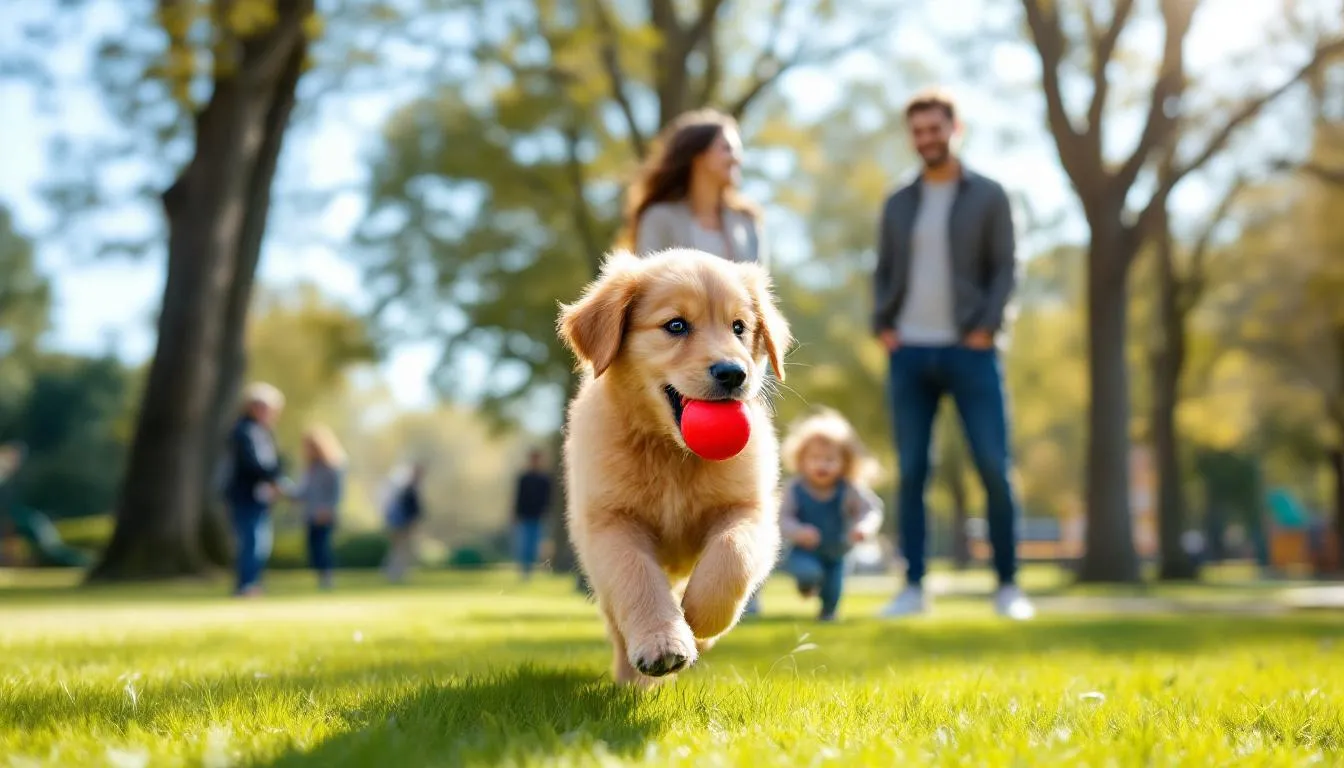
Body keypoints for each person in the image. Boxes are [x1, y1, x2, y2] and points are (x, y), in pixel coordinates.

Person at [871, 89, 1034, 620]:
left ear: (954, 129)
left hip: (972, 350)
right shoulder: (899, 201)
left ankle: (1008, 586)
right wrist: (883, 324)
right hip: (909, 352)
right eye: (918, 132)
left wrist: (987, 328)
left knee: (993, 465)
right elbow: (884, 270)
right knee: (913, 470)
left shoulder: (988, 195)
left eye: (935, 129)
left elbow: (1006, 268)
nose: (926, 139)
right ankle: (914, 586)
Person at [623, 108, 767, 266]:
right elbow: (646, 284)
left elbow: (761, 286)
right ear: (699, 157)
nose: (737, 159)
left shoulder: (747, 221)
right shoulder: (659, 218)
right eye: (727, 149)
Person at [778, 409, 884, 621]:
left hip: (838, 553)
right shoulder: (795, 489)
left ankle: (827, 614)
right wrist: (798, 531)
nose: (822, 464)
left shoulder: (849, 489)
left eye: (830, 459)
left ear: (845, 462)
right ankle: (806, 584)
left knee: (833, 592)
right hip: (805, 551)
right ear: (801, 459)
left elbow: (871, 509)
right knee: (809, 573)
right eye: (815, 458)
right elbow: (782, 518)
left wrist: (864, 527)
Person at [224, 383, 285, 597]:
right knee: (250, 541)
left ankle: (253, 583)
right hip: (245, 495)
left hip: (260, 496)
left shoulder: (263, 432)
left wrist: (276, 480)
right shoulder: (244, 431)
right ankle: (246, 585)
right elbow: (252, 464)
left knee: (260, 543)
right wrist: (274, 479)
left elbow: (274, 462)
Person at [288, 425, 346, 590]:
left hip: (325, 514)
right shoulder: (311, 468)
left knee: (323, 546)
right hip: (310, 514)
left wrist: (328, 508)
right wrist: (285, 491)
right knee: (313, 548)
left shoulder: (333, 466)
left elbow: (337, 492)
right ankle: (322, 576)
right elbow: (303, 492)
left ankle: (327, 578)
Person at [511, 448, 552, 580]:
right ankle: (525, 572)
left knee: (538, 547)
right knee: (524, 546)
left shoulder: (545, 479)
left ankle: (538, 570)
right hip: (525, 516)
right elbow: (518, 497)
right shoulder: (524, 478)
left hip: (539, 517)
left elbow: (548, 500)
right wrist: (515, 514)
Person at [382, 461, 425, 583]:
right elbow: (410, 508)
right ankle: (394, 574)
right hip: (402, 524)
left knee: (401, 550)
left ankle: (398, 574)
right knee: (400, 550)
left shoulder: (409, 488)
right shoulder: (407, 489)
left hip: (403, 523)